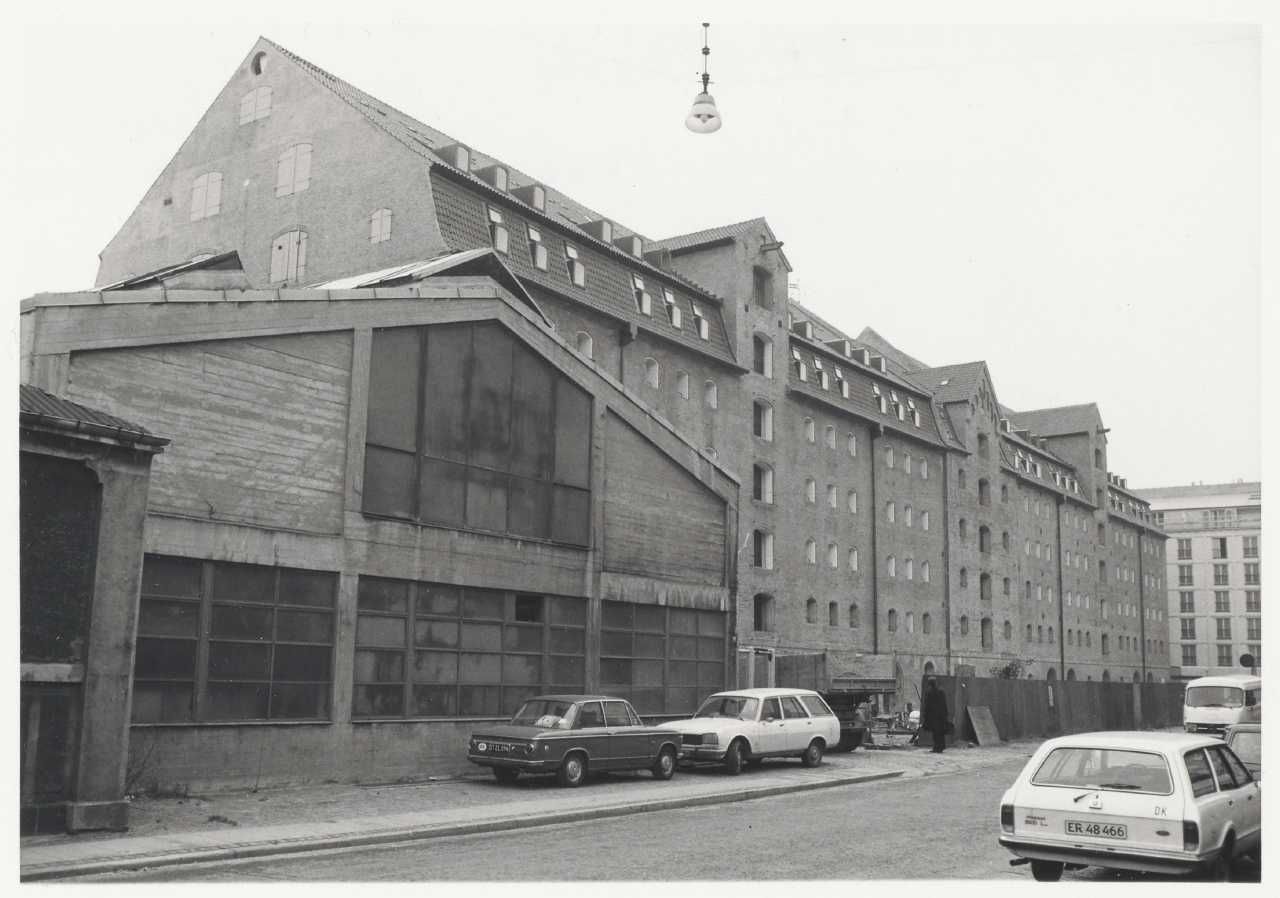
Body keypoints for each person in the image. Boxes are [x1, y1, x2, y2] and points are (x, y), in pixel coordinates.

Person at [922, 678, 949, 753]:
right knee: (940, 733)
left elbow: (927, 705)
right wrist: (945, 715)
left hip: (934, 717)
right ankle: (940, 747)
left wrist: (925, 714)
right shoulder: (941, 691)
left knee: (936, 733)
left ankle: (937, 748)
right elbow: (944, 705)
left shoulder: (930, 693)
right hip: (941, 716)